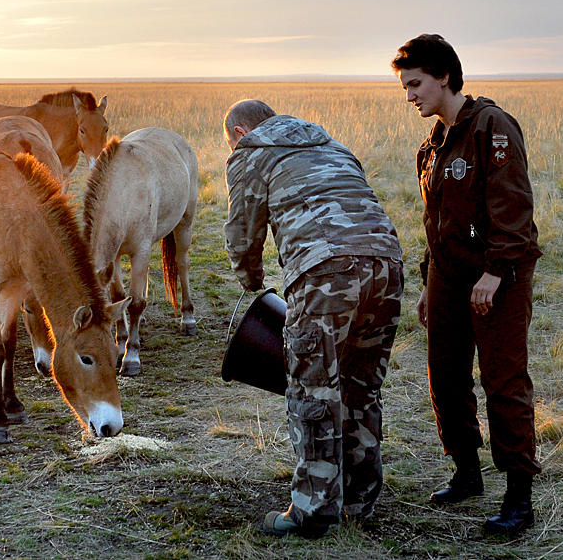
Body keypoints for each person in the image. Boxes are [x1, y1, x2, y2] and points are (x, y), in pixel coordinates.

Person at [223, 99, 403, 537]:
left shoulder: (250, 151)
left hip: (326, 273)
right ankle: (360, 501)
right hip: (387, 265)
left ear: (241, 132)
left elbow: (242, 232)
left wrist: (251, 279)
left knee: (313, 391)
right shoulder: (332, 144)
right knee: (361, 386)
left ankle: (313, 510)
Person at [391, 34, 543, 535]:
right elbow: (436, 220)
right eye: (405, 86)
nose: (409, 95)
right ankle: (466, 472)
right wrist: (425, 282)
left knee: (503, 381)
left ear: (445, 77)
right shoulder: (431, 144)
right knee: (445, 375)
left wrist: (496, 272)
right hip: (448, 277)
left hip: (498, 277)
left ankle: (519, 496)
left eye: (415, 84)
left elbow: (515, 208)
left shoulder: (492, 128)